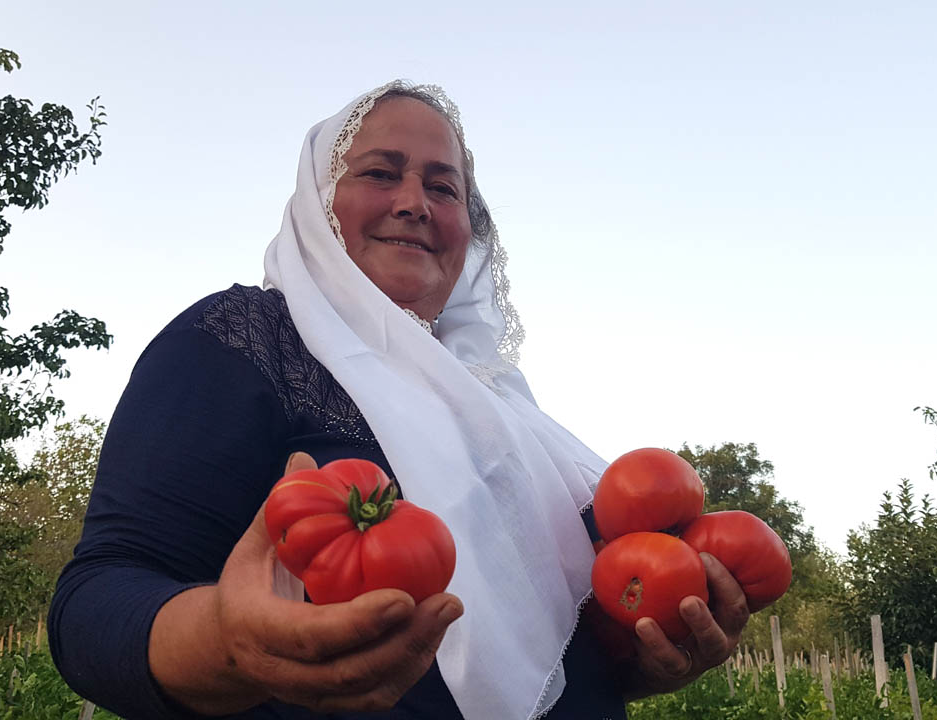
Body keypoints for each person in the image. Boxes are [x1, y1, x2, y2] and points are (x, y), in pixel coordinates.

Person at [49, 81, 751, 720]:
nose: (415, 201)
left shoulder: (501, 404)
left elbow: (539, 656)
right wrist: (229, 646)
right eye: (381, 173)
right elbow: (94, 605)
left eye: (444, 189)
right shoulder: (247, 340)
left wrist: (643, 656)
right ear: (318, 204)